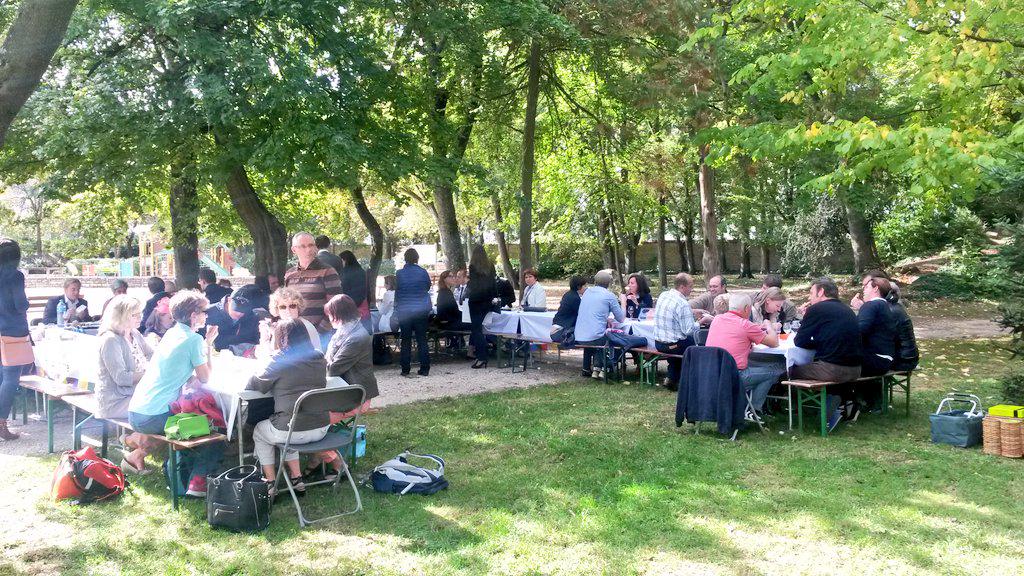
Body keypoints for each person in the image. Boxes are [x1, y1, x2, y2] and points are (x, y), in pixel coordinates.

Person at [127, 291, 224, 497]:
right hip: (154, 415)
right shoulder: (193, 339)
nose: (206, 316)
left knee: (196, 422)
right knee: (215, 432)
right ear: (193, 315)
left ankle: (183, 476)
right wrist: (207, 344)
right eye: (204, 312)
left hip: (136, 410)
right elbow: (205, 378)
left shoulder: (172, 333)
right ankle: (196, 483)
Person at [246, 319, 330, 494]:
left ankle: (270, 483)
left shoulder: (280, 360)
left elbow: (256, 384)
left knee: (262, 431)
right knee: (290, 424)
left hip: (293, 430)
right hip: (321, 427)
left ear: (280, 337)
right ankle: (296, 478)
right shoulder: (319, 357)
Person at [301, 295, 380, 481]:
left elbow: (333, 368)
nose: (329, 320)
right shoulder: (345, 332)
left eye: (330, 316)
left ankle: (336, 462)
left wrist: (310, 366)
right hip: (340, 391)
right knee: (306, 412)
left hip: (355, 397)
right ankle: (317, 458)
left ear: (338, 315)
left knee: (309, 419)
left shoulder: (356, 337)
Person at [95, 295, 157, 473]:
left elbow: (153, 355)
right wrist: (150, 374)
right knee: (160, 409)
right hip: (115, 400)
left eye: (140, 313)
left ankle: (136, 444)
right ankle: (135, 444)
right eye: (134, 314)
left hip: (135, 394)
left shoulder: (134, 334)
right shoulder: (110, 340)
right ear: (120, 316)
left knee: (167, 404)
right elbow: (121, 378)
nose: (140, 317)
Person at [792, 278, 863, 430]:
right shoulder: (847, 309)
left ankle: (789, 409)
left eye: (811, 293)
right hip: (856, 369)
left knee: (787, 371)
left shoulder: (817, 309)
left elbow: (799, 341)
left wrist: (808, 323)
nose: (809, 297)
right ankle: (835, 403)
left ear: (821, 292)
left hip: (832, 369)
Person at [706, 294, 784, 421]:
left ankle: (746, 405)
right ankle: (753, 409)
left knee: (759, 368)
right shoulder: (746, 325)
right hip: (734, 377)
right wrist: (769, 325)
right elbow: (774, 342)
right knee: (776, 370)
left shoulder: (717, 320)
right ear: (747, 308)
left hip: (711, 375)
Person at [284, 232, 343, 341]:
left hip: (320, 337)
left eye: (311, 245)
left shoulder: (328, 271)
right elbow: (286, 305)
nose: (308, 250)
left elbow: (336, 307)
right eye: (303, 246)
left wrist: (318, 334)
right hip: (294, 336)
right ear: (293, 250)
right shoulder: (289, 274)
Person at [0, 238, 31, 440]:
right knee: (11, 379)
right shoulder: (16, 275)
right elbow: (20, 305)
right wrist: (26, 304)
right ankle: (1, 423)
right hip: (12, 332)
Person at [574, 269, 625, 378]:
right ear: (609, 284)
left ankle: (592, 368)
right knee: (614, 338)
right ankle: (606, 368)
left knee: (597, 336)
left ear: (595, 281)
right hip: (595, 337)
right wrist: (624, 303)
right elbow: (621, 319)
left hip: (579, 335)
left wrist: (605, 319)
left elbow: (593, 311)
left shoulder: (586, 293)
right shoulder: (609, 295)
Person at [652, 273, 699, 388]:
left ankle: (672, 377)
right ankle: (691, 379)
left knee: (681, 341)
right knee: (697, 343)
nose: (692, 289)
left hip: (658, 343)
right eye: (690, 286)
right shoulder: (683, 304)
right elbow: (688, 330)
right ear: (682, 287)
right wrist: (701, 322)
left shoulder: (663, 295)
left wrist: (692, 313)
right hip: (673, 345)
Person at [395, 248, 432, 376]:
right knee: (422, 339)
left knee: (406, 340)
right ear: (417, 258)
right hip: (420, 309)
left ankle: (405, 368)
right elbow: (427, 286)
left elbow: (398, 290)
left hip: (405, 310)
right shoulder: (423, 272)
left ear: (405, 259)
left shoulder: (399, 273)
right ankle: (425, 368)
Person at [850, 275, 897, 377]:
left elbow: (859, 331)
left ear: (876, 288)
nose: (863, 290)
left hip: (874, 360)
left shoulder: (871, 305)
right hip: (886, 360)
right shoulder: (884, 306)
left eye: (866, 287)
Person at [258, 287, 323, 356]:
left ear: (298, 307)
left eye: (292, 306)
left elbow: (281, 356)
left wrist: (275, 334)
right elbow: (265, 354)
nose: (288, 311)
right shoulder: (279, 325)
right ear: (277, 309)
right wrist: (265, 335)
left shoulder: (304, 326)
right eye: (283, 307)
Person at [204, 284, 267, 352]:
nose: (239, 314)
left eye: (244, 311)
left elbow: (256, 340)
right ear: (229, 300)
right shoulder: (207, 314)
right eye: (236, 310)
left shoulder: (252, 317)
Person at [467, 245, 498, 369]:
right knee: (480, 329)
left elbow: (474, 285)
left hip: (476, 301)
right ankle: (482, 356)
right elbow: (493, 283)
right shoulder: (490, 266)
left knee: (476, 330)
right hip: (488, 300)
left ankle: (481, 357)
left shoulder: (473, 267)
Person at [886, 285, 919, 372]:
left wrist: (863, 307)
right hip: (909, 358)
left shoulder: (890, 311)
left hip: (902, 361)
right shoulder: (897, 307)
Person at [551, 276, 587, 343]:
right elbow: (582, 315)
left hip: (555, 329)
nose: (586, 288)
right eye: (584, 286)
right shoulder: (575, 298)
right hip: (560, 332)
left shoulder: (568, 294)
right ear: (579, 287)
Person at [338, 250, 369, 320]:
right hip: (362, 305)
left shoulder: (345, 272)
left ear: (344, 260)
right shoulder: (361, 271)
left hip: (348, 306)